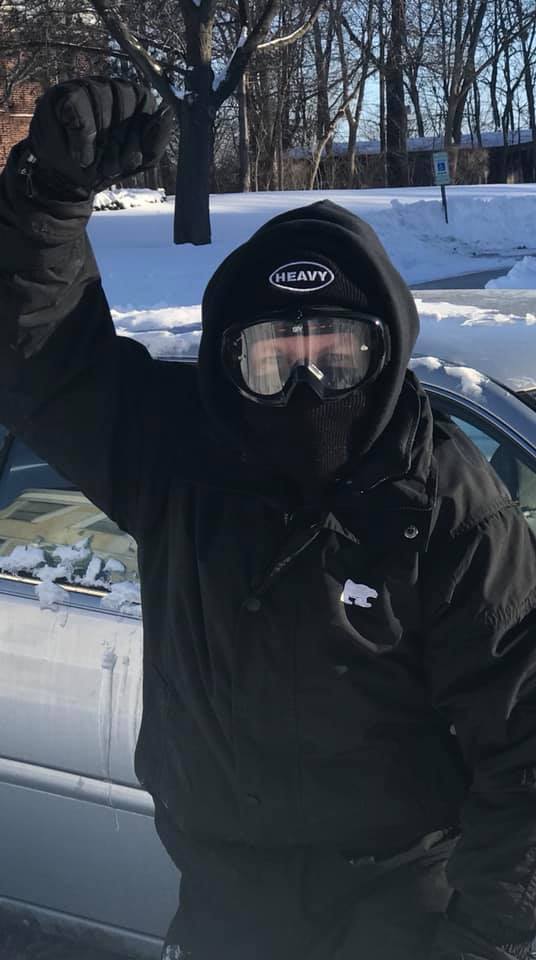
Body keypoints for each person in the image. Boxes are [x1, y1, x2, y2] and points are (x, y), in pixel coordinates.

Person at [1, 77, 536, 960]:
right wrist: (48, 199)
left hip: (401, 910)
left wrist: (484, 945)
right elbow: (43, 363)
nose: (304, 389)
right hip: (225, 907)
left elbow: (525, 754)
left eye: (336, 358)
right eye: (271, 360)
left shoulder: (447, 505)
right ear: (229, 362)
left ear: (384, 353)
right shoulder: (181, 461)